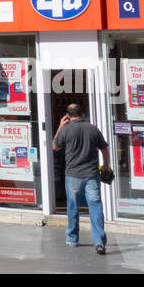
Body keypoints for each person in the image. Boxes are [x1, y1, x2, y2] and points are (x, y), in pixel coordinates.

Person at [52, 102, 110, 254]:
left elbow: (55, 146)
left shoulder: (66, 129)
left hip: (72, 175)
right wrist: (106, 166)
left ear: (68, 116)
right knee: (95, 206)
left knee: (73, 207)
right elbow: (104, 149)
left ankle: (72, 239)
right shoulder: (92, 129)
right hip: (91, 175)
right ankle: (99, 242)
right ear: (82, 114)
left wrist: (60, 125)